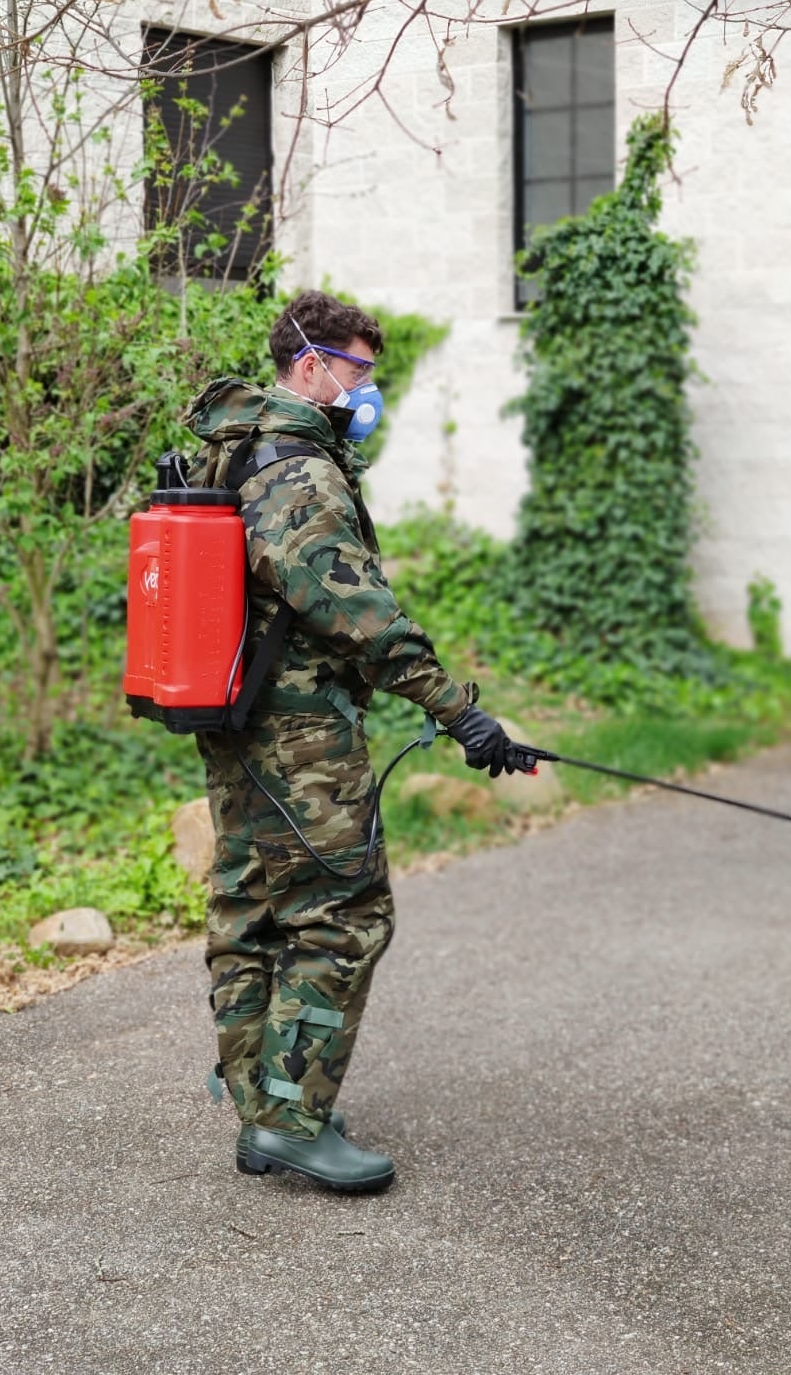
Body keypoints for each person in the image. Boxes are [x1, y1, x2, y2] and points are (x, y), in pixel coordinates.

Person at [183, 288, 524, 1194]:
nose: (366, 390)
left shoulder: (241, 447)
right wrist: (456, 709)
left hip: (240, 720)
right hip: (298, 735)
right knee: (344, 913)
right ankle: (292, 1120)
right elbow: (353, 611)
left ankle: (267, 1111)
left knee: (252, 908)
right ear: (311, 366)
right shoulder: (299, 470)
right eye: (359, 372)